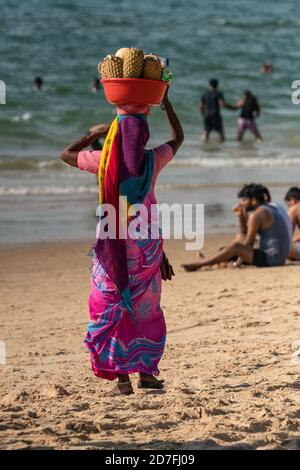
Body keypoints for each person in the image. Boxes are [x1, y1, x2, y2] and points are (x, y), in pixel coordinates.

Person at [60, 89, 183, 396]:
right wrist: (167, 105)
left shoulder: (104, 161)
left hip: (113, 252)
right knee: (144, 309)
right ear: (142, 138)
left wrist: (97, 132)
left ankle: (123, 380)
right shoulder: (152, 160)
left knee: (110, 306)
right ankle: (145, 374)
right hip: (148, 250)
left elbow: (65, 154)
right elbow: (179, 138)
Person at [182, 183, 291, 271]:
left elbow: (248, 244)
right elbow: (245, 234)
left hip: (271, 259)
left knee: (234, 247)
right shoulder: (267, 209)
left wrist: (237, 264)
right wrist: (241, 217)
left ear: (253, 200)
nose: (241, 203)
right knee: (232, 245)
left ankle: (200, 264)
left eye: (244, 200)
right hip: (279, 258)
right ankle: (213, 262)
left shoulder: (258, 214)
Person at [200, 78, 235, 143]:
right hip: (215, 115)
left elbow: (201, 107)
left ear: (209, 85)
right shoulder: (218, 93)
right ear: (217, 85)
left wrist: (203, 115)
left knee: (206, 132)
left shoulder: (204, 93)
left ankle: (205, 149)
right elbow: (222, 104)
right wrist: (233, 108)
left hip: (207, 115)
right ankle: (223, 149)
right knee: (221, 133)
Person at [285, 187, 300, 260]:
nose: (288, 208)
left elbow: (286, 237)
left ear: (293, 200)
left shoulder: (294, 209)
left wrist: (293, 240)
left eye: (288, 205)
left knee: (282, 246)